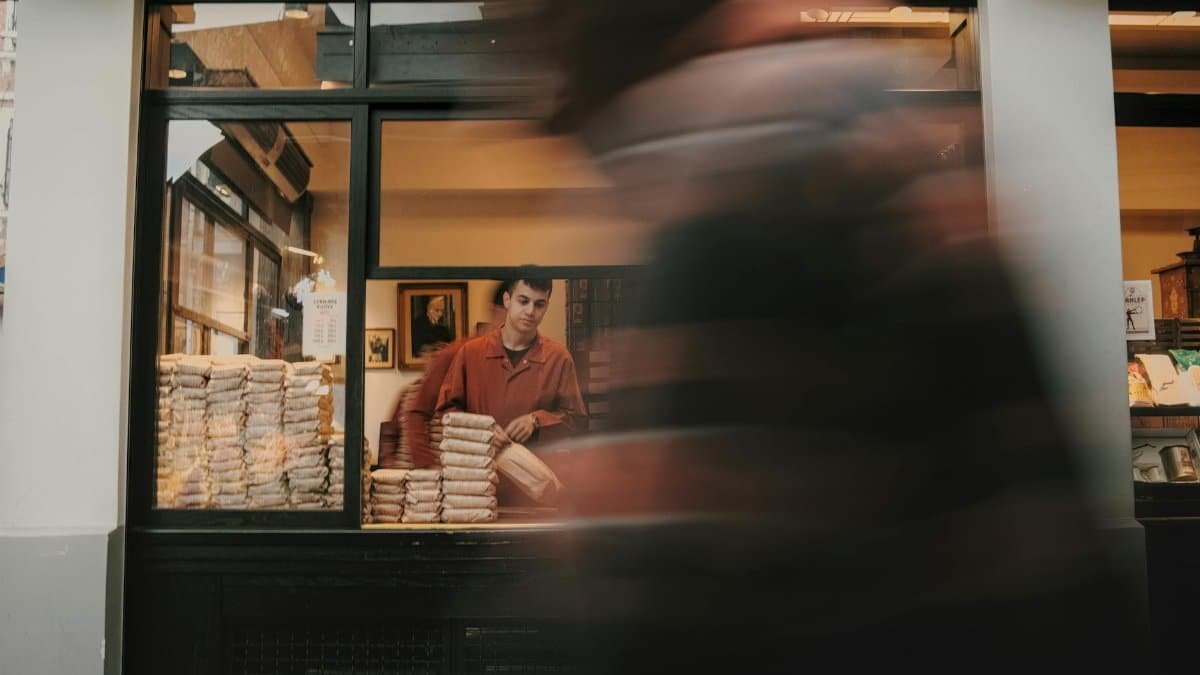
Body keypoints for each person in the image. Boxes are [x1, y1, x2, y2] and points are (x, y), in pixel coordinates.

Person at [498, 1, 1145, 672]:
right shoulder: (856, 126)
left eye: (574, 117)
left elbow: (682, 595)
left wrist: (615, 514)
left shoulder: (753, 159)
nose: (589, 162)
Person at [437, 278, 587, 451]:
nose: (530, 311)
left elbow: (577, 420)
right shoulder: (470, 353)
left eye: (539, 304)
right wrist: (480, 431)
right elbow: (446, 413)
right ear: (507, 300)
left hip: (536, 472)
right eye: (523, 301)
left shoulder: (559, 358)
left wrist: (536, 421)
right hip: (479, 470)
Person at [396, 282, 511, 468]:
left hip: (503, 474)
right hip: (461, 477)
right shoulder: (457, 354)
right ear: (495, 310)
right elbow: (416, 413)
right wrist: (428, 467)